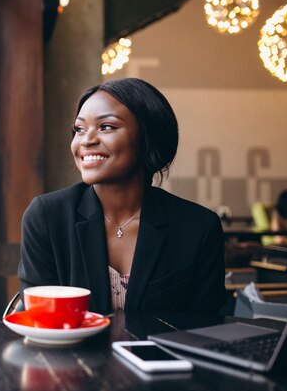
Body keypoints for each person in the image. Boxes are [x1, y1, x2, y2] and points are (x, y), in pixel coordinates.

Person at [18, 78, 226, 315]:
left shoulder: (198, 227)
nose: (87, 140)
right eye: (79, 129)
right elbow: (40, 318)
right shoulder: (46, 216)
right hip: (70, 353)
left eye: (106, 127)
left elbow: (205, 327)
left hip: (163, 354)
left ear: (148, 138)